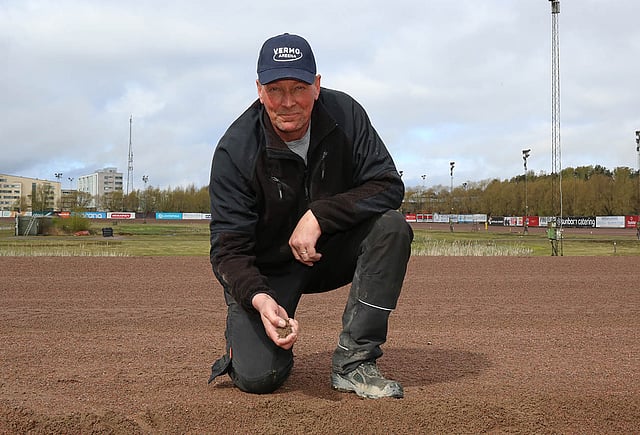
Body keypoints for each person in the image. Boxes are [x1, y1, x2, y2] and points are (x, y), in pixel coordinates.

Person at [207, 33, 413, 399]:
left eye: (299, 88)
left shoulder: (346, 116)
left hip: (330, 251)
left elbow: (387, 185)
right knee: (258, 378)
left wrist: (319, 216)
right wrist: (259, 298)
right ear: (259, 90)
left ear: (317, 86)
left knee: (391, 227)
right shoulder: (235, 150)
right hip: (268, 271)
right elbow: (228, 250)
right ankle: (252, 346)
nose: (287, 102)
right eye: (275, 89)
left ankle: (355, 362)